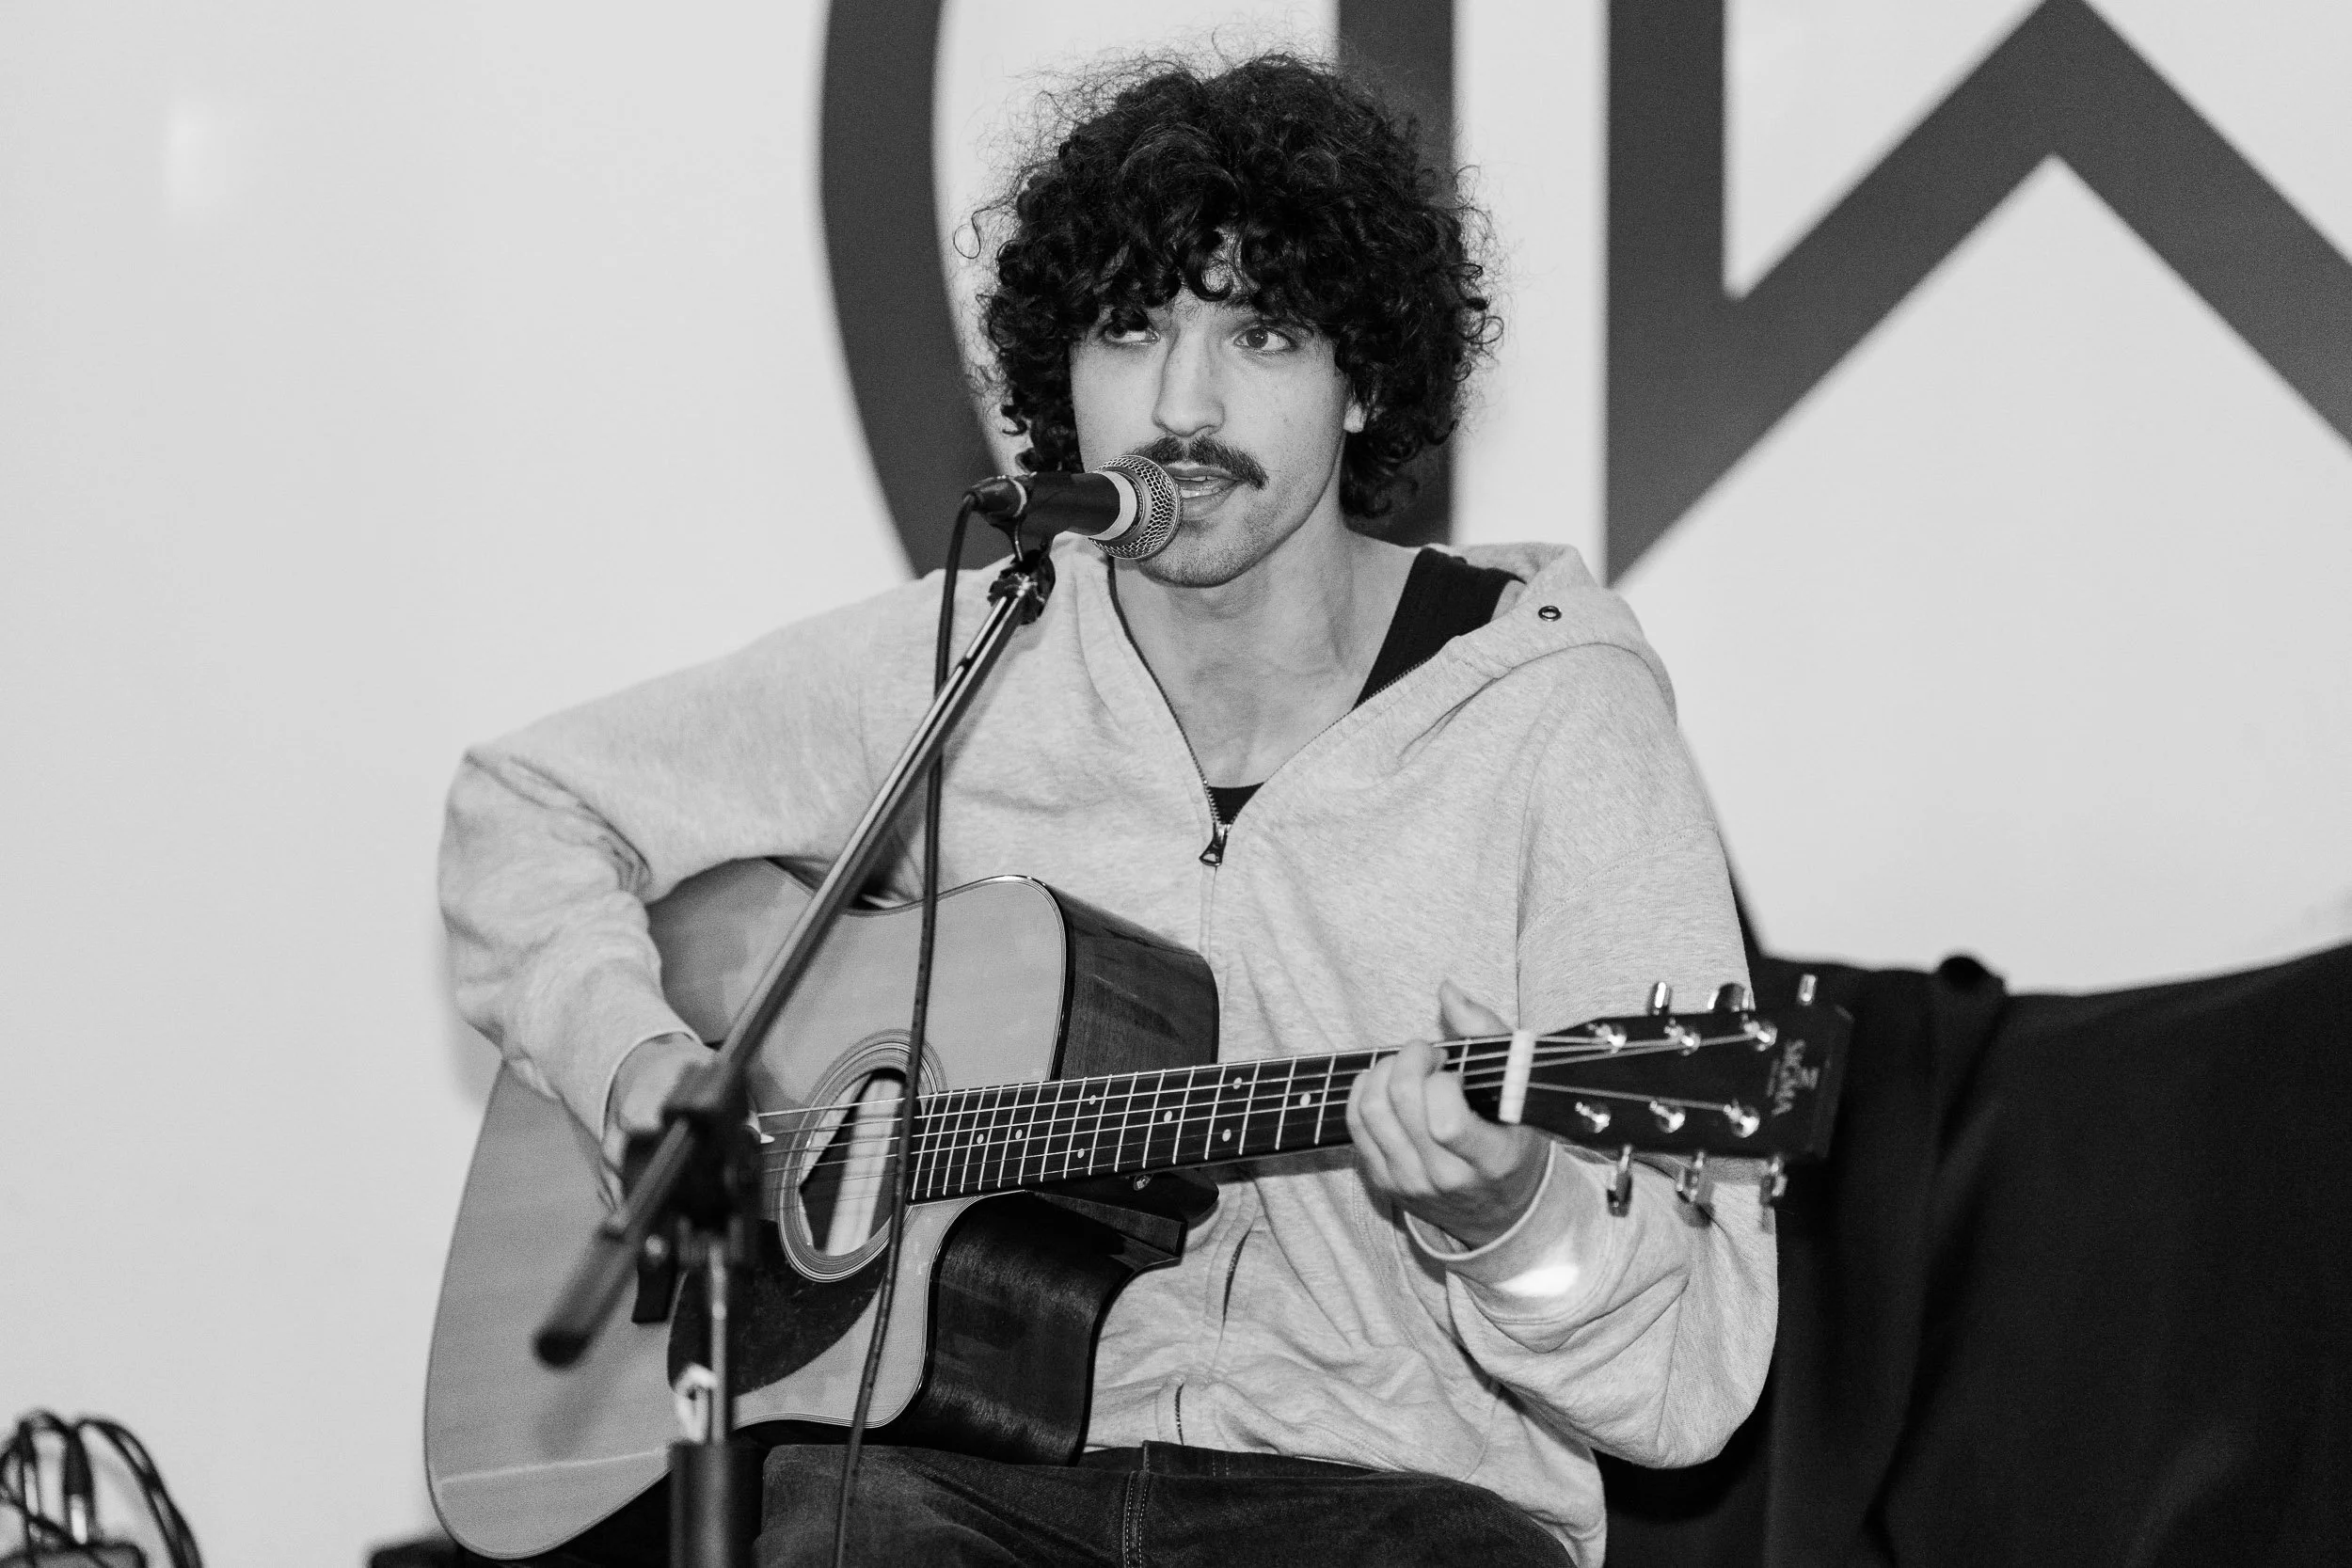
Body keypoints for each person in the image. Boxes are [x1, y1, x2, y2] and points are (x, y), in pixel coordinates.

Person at [439, 52, 1771, 1568]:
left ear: (1366, 382)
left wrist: (1511, 1222)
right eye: (1131, 328)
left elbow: (1693, 1374)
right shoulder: (977, 652)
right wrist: (634, 1063)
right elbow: (525, 805)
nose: (1182, 404)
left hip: (1390, 1502)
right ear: (1055, 372)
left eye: (1263, 331)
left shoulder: (1556, 713)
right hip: (963, 1484)